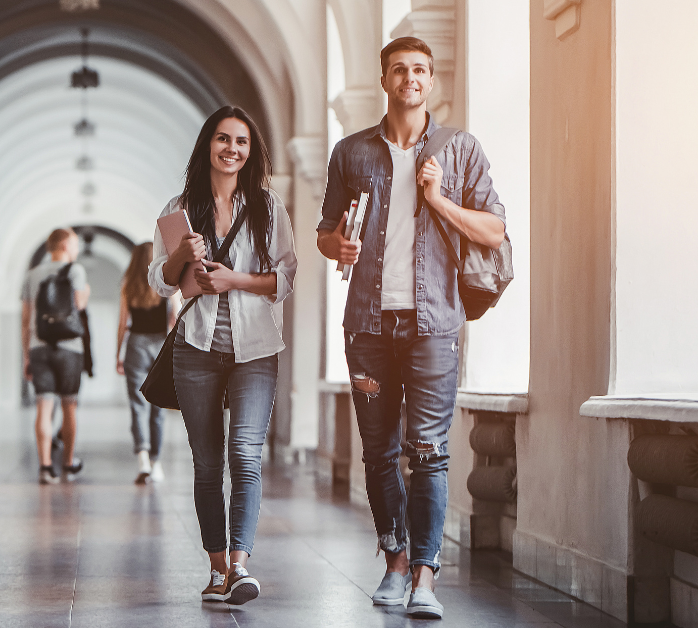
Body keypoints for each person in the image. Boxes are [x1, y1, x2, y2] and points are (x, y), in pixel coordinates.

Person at [316, 37, 506, 620]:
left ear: (431, 81)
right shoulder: (351, 153)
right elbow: (324, 232)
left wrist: (439, 199)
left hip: (433, 326)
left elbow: (494, 232)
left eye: (420, 69)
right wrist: (336, 244)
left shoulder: (460, 150)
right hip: (368, 327)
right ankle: (395, 562)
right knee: (378, 452)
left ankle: (425, 575)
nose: (411, 78)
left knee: (429, 452)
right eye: (400, 69)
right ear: (385, 80)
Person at [148, 106, 297, 606]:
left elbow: (285, 278)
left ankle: (240, 564)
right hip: (196, 348)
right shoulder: (179, 207)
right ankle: (216, 568)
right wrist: (180, 255)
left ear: (251, 152)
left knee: (245, 455)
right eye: (222, 139)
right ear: (207, 145)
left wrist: (234, 279)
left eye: (241, 142)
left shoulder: (269, 208)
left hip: (256, 350)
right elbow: (160, 282)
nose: (231, 149)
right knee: (208, 463)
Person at [22, 228, 90, 485]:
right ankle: (69, 463)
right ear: (63, 246)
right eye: (74, 245)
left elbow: (26, 319)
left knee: (43, 407)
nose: (76, 250)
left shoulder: (32, 275)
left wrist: (26, 356)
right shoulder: (75, 270)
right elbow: (80, 305)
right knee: (69, 406)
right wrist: (87, 291)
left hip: (39, 347)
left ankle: (45, 467)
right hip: (70, 347)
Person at [115, 242, 176, 484]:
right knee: (157, 408)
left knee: (137, 405)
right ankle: (156, 462)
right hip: (160, 346)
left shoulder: (128, 285)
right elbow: (175, 319)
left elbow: (122, 324)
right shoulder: (166, 284)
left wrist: (117, 355)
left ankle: (142, 458)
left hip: (135, 347)